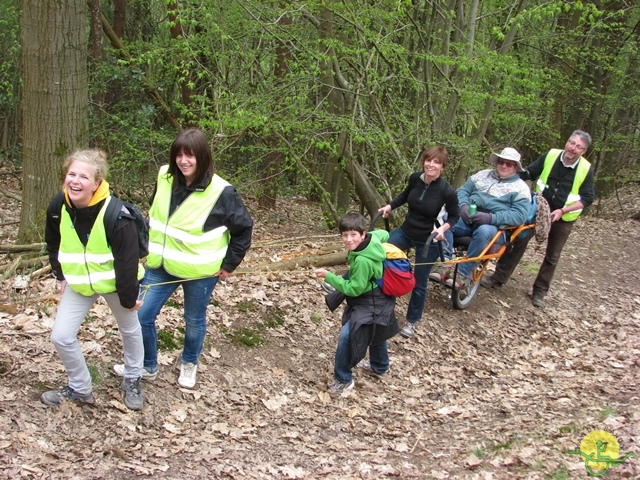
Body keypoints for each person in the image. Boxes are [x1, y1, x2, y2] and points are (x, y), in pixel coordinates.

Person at [113, 128, 253, 388]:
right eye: (179, 155)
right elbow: (156, 215)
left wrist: (229, 264)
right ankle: (147, 365)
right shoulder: (165, 177)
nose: (183, 161)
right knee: (140, 315)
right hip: (160, 265)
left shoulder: (222, 191)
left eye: (190, 155)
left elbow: (244, 229)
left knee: (194, 320)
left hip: (200, 272)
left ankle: (189, 363)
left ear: (203, 157)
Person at [42, 150, 145, 410]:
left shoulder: (117, 215)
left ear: (97, 183)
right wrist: (61, 273)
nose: (75, 181)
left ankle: (133, 377)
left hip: (115, 283)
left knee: (130, 329)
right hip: (79, 283)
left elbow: (127, 261)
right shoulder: (58, 206)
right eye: (72, 174)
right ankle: (80, 387)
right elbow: (53, 241)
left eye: (84, 177)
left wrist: (129, 297)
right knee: (61, 336)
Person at [481, 131, 595, 308]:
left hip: (564, 217)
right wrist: (504, 177)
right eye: (571, 143)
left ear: (584, 151)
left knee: (553, 255)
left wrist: (563, 211)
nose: (573, 148)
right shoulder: (551, 155)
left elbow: (587, 198)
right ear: (567, 142)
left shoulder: (586, 169)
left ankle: (540, 291)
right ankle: (498, 278)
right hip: (538, 209)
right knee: (517, 239)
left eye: (579, 147)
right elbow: (529, 173)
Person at [378, 146, 459, 339]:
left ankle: (411, 321)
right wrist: (390, 206)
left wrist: (442, 230)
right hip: (407, 231)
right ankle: (358, 291)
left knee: (419, 282)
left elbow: (454, 216)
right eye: (428, 160)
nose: (431, 164)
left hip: (429, 239)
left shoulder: (447, 191)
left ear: (443, 167)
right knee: (377, 252)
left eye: (436, 162)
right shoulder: (416, 178)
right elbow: (405, 196)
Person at [315, 212, 398, 398]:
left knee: (348, 333)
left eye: (353, 235)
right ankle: (380, 367)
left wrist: (330, 277)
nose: (348, 239)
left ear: (362, 234)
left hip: (371, 299)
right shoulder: (373, 237)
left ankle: (343, 379)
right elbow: (384, 235)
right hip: (380, 295)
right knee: (376, 327)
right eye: (345, 235)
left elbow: (354, 290)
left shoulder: (362, 261)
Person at [444, 147, 531, 291]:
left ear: (515, 167)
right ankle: (444, 262)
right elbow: (462, 191)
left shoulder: (521, 188)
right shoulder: (481, 175)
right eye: (501, 162)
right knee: (446, 219)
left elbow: (519, 215)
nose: (504, 166)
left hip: (495, 227)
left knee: (484, 230)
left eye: (509, 164)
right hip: (468, 218)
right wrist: (463, 206)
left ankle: (462, 274)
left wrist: (490, 218)